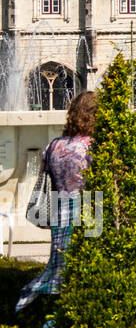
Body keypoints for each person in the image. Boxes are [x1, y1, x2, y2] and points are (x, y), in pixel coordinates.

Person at [16, 91, 96, 313]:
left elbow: (47, 176)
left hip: (60, 205)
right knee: (89, 267)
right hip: (91, 205)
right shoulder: (94, 145)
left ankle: (46, 311)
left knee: (59, 263)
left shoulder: (54, 146)